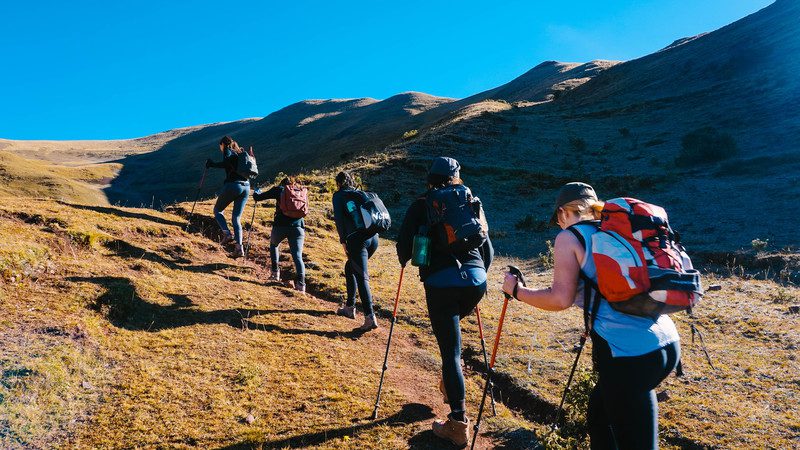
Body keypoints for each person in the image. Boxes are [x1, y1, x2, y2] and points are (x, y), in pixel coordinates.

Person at [501, 182, 680, 450]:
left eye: (558, 219)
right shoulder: (613, 231)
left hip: (628, 355)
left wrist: (517, 291)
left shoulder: (570, 237)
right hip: (664, 342)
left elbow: (560, 299)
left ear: (563, 212)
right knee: (599, 415)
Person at [396, 157, 493, 447]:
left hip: (441, 284)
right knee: (451, 341)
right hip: (476, 282)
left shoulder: (421, 204)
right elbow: (488, 248)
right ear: (456, 177)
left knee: (450, 351)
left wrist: (412, 256)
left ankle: (458, 423)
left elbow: (403, 249)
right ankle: (451, 384)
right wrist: (476, 276)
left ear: (430, 177)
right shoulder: (471, 200)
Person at [331, 171, 380, 331]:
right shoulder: (361, 193)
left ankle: (370, 318)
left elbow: (339, 219)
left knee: (361, 277)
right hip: (374, 239)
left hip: (357, 240)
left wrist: (343, 242)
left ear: (338, 183)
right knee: (349, 267)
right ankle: (349, 307)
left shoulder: (339, 196)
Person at [252, 177, 306, 293]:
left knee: (274, 245)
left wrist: (256, 191)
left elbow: (258, 197)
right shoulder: (300, 191)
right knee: (297, 256)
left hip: (280, 225)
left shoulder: (279, 189)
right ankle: (301, 285)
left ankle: (275, 273)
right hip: (298, 227)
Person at [206, 136, 250, 258]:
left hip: (234, 185)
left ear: (222, 144)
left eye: (220, 146)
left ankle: (227, 234)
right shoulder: (239, 153)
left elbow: (225, 164)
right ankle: (239, 248)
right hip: (246, 187)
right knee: (236, 218)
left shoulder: (227, 150)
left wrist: (212, 164)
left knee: (218, 210)